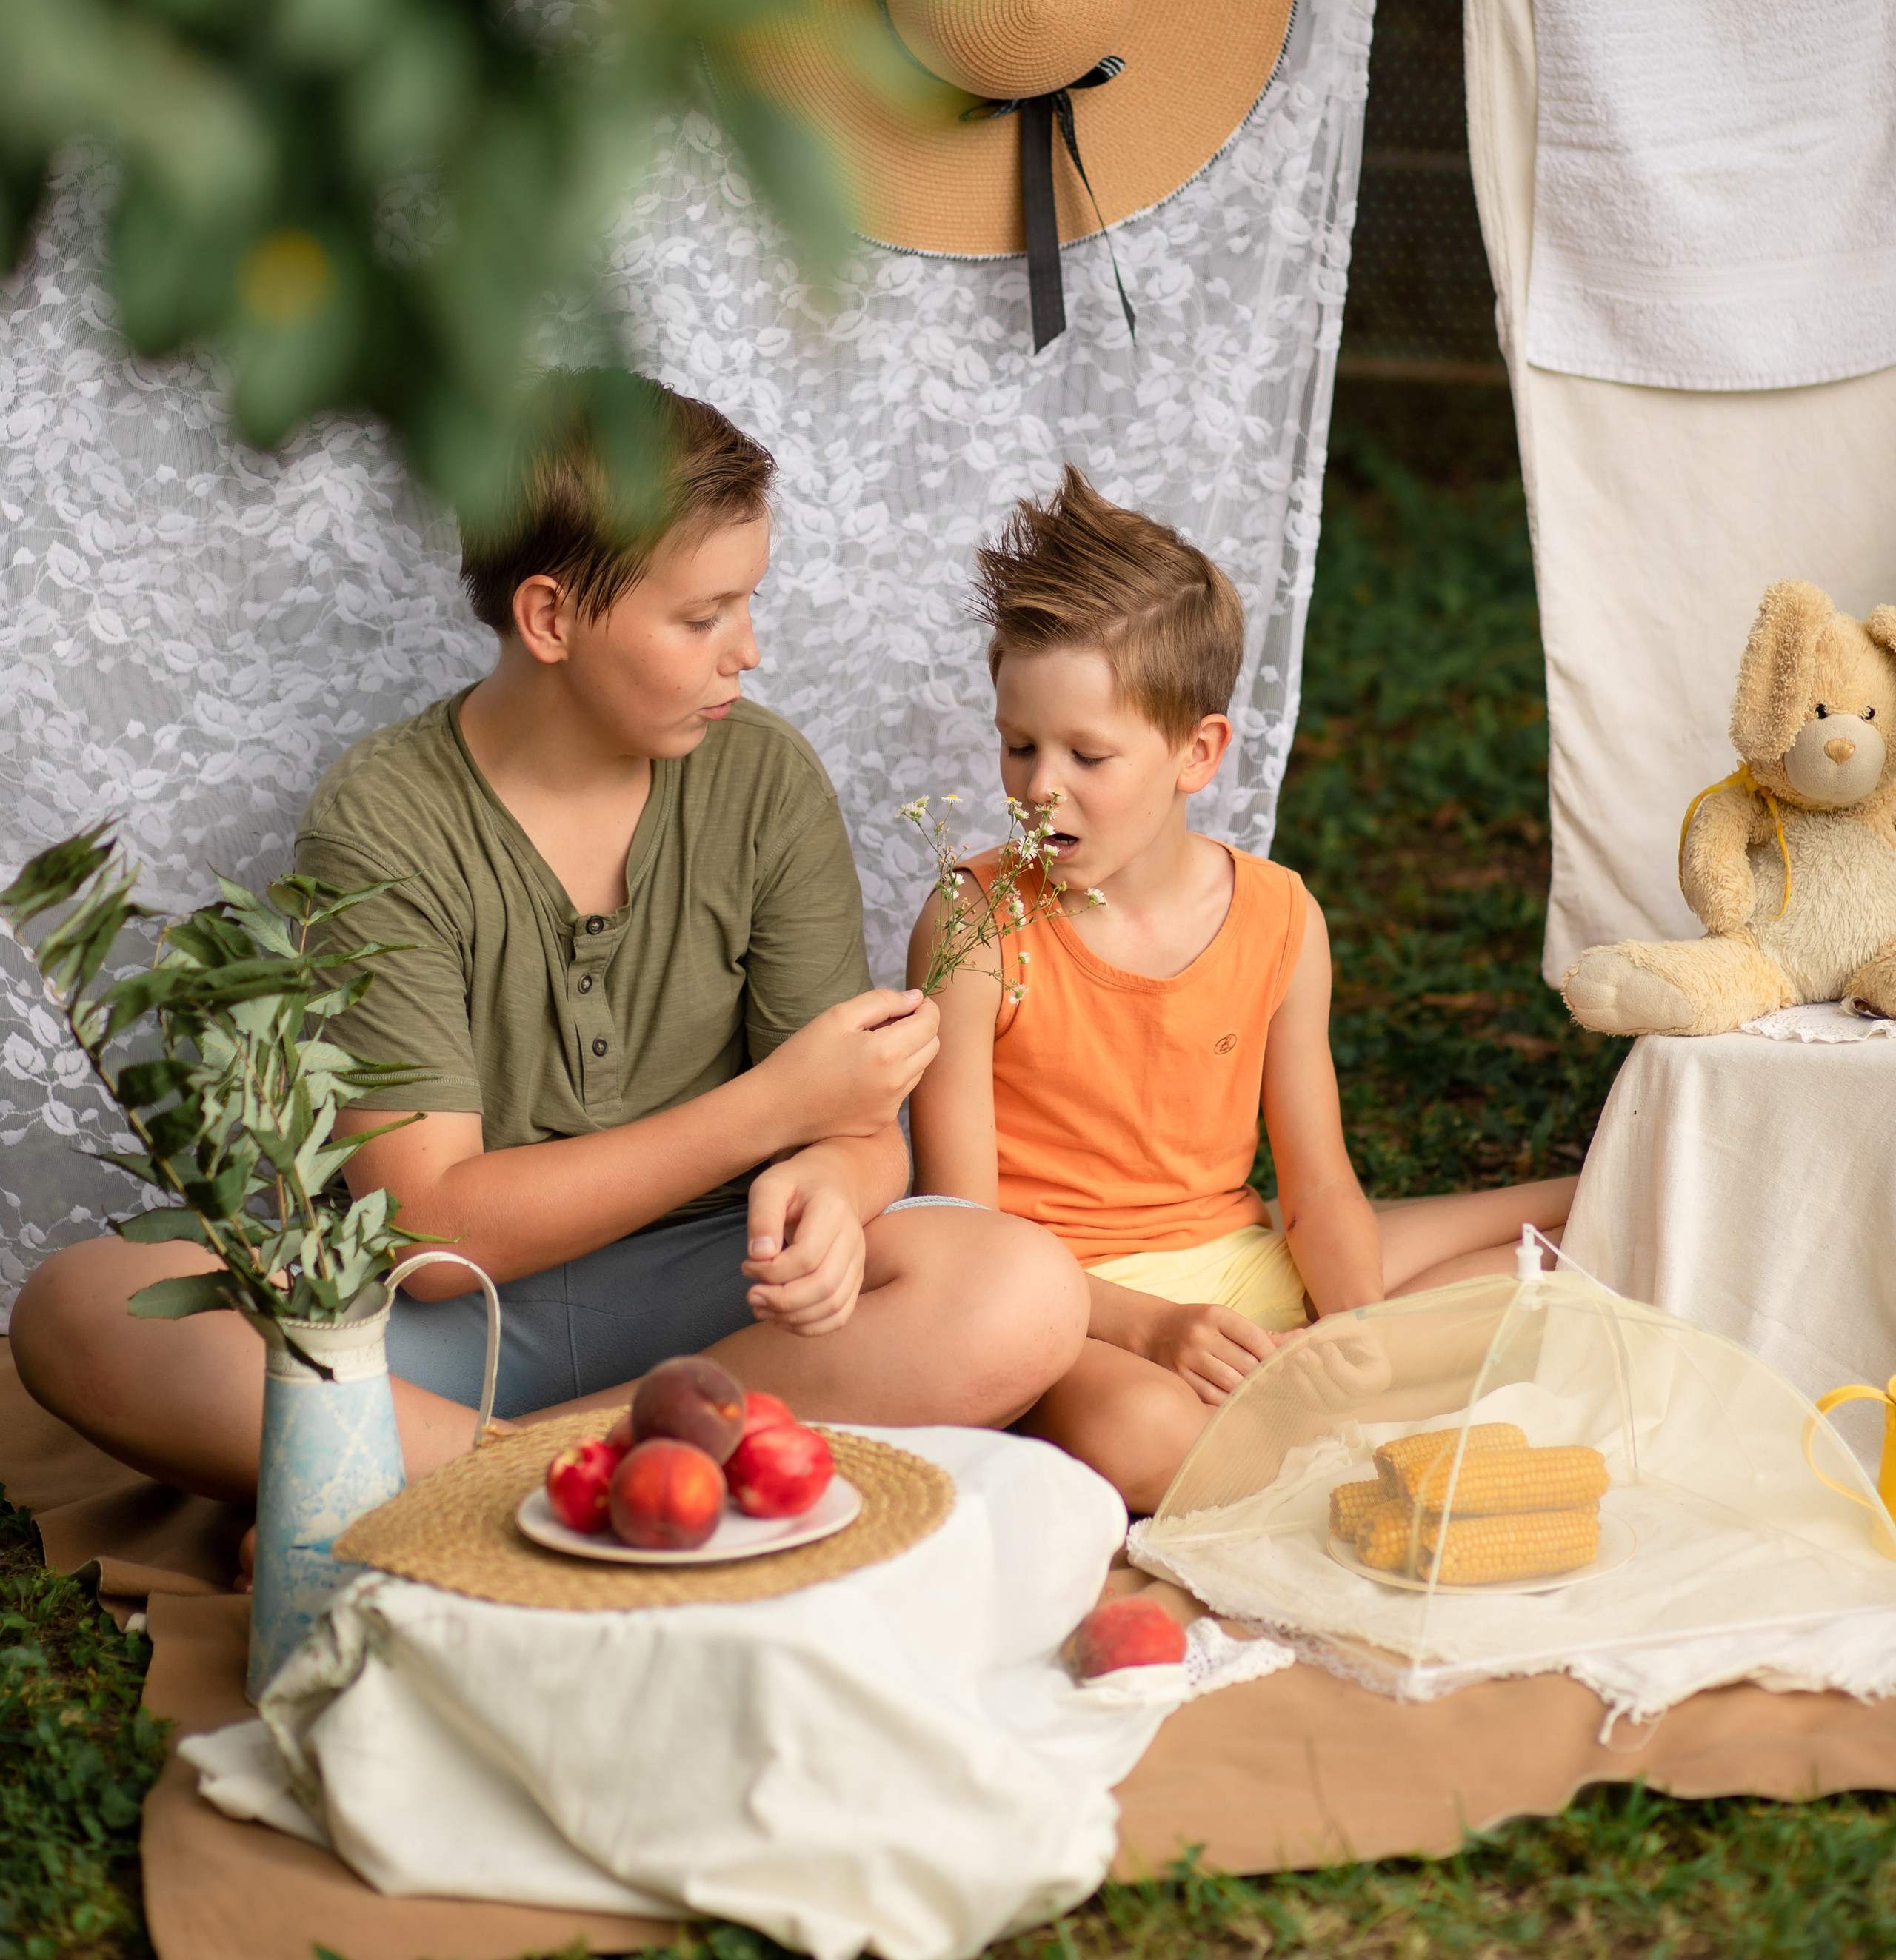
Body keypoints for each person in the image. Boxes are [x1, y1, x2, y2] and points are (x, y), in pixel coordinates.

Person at [11, 378, 1088, 1505]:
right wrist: (777, 1113)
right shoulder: (384, 815)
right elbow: (427, 1227)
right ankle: (568, 1477)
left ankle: (436, 1485)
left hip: (718, 1304)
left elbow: (857, 1129)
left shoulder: (765, 779)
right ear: (551, 619)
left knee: (1018, 1288)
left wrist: (830, 1187)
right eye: (703, 616)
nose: (750, 652)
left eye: (749, 604)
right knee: (88, 1306)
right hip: (449, 1324)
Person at [906, 468, 1575, 1514]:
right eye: (1018, 744)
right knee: (1149, 1433)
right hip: (1070, 1308)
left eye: (1088, 753)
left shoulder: (1280, 918)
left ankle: (1308, 1398)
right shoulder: (973, 923)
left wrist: (1353, 1328)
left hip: (1242, 1260)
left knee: (1551, 1287)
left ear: (1198, 752)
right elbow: (965, 1235)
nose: (1041, 787)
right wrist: (1152, 1330)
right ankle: (1312, 1417)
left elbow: (1314, 1187)